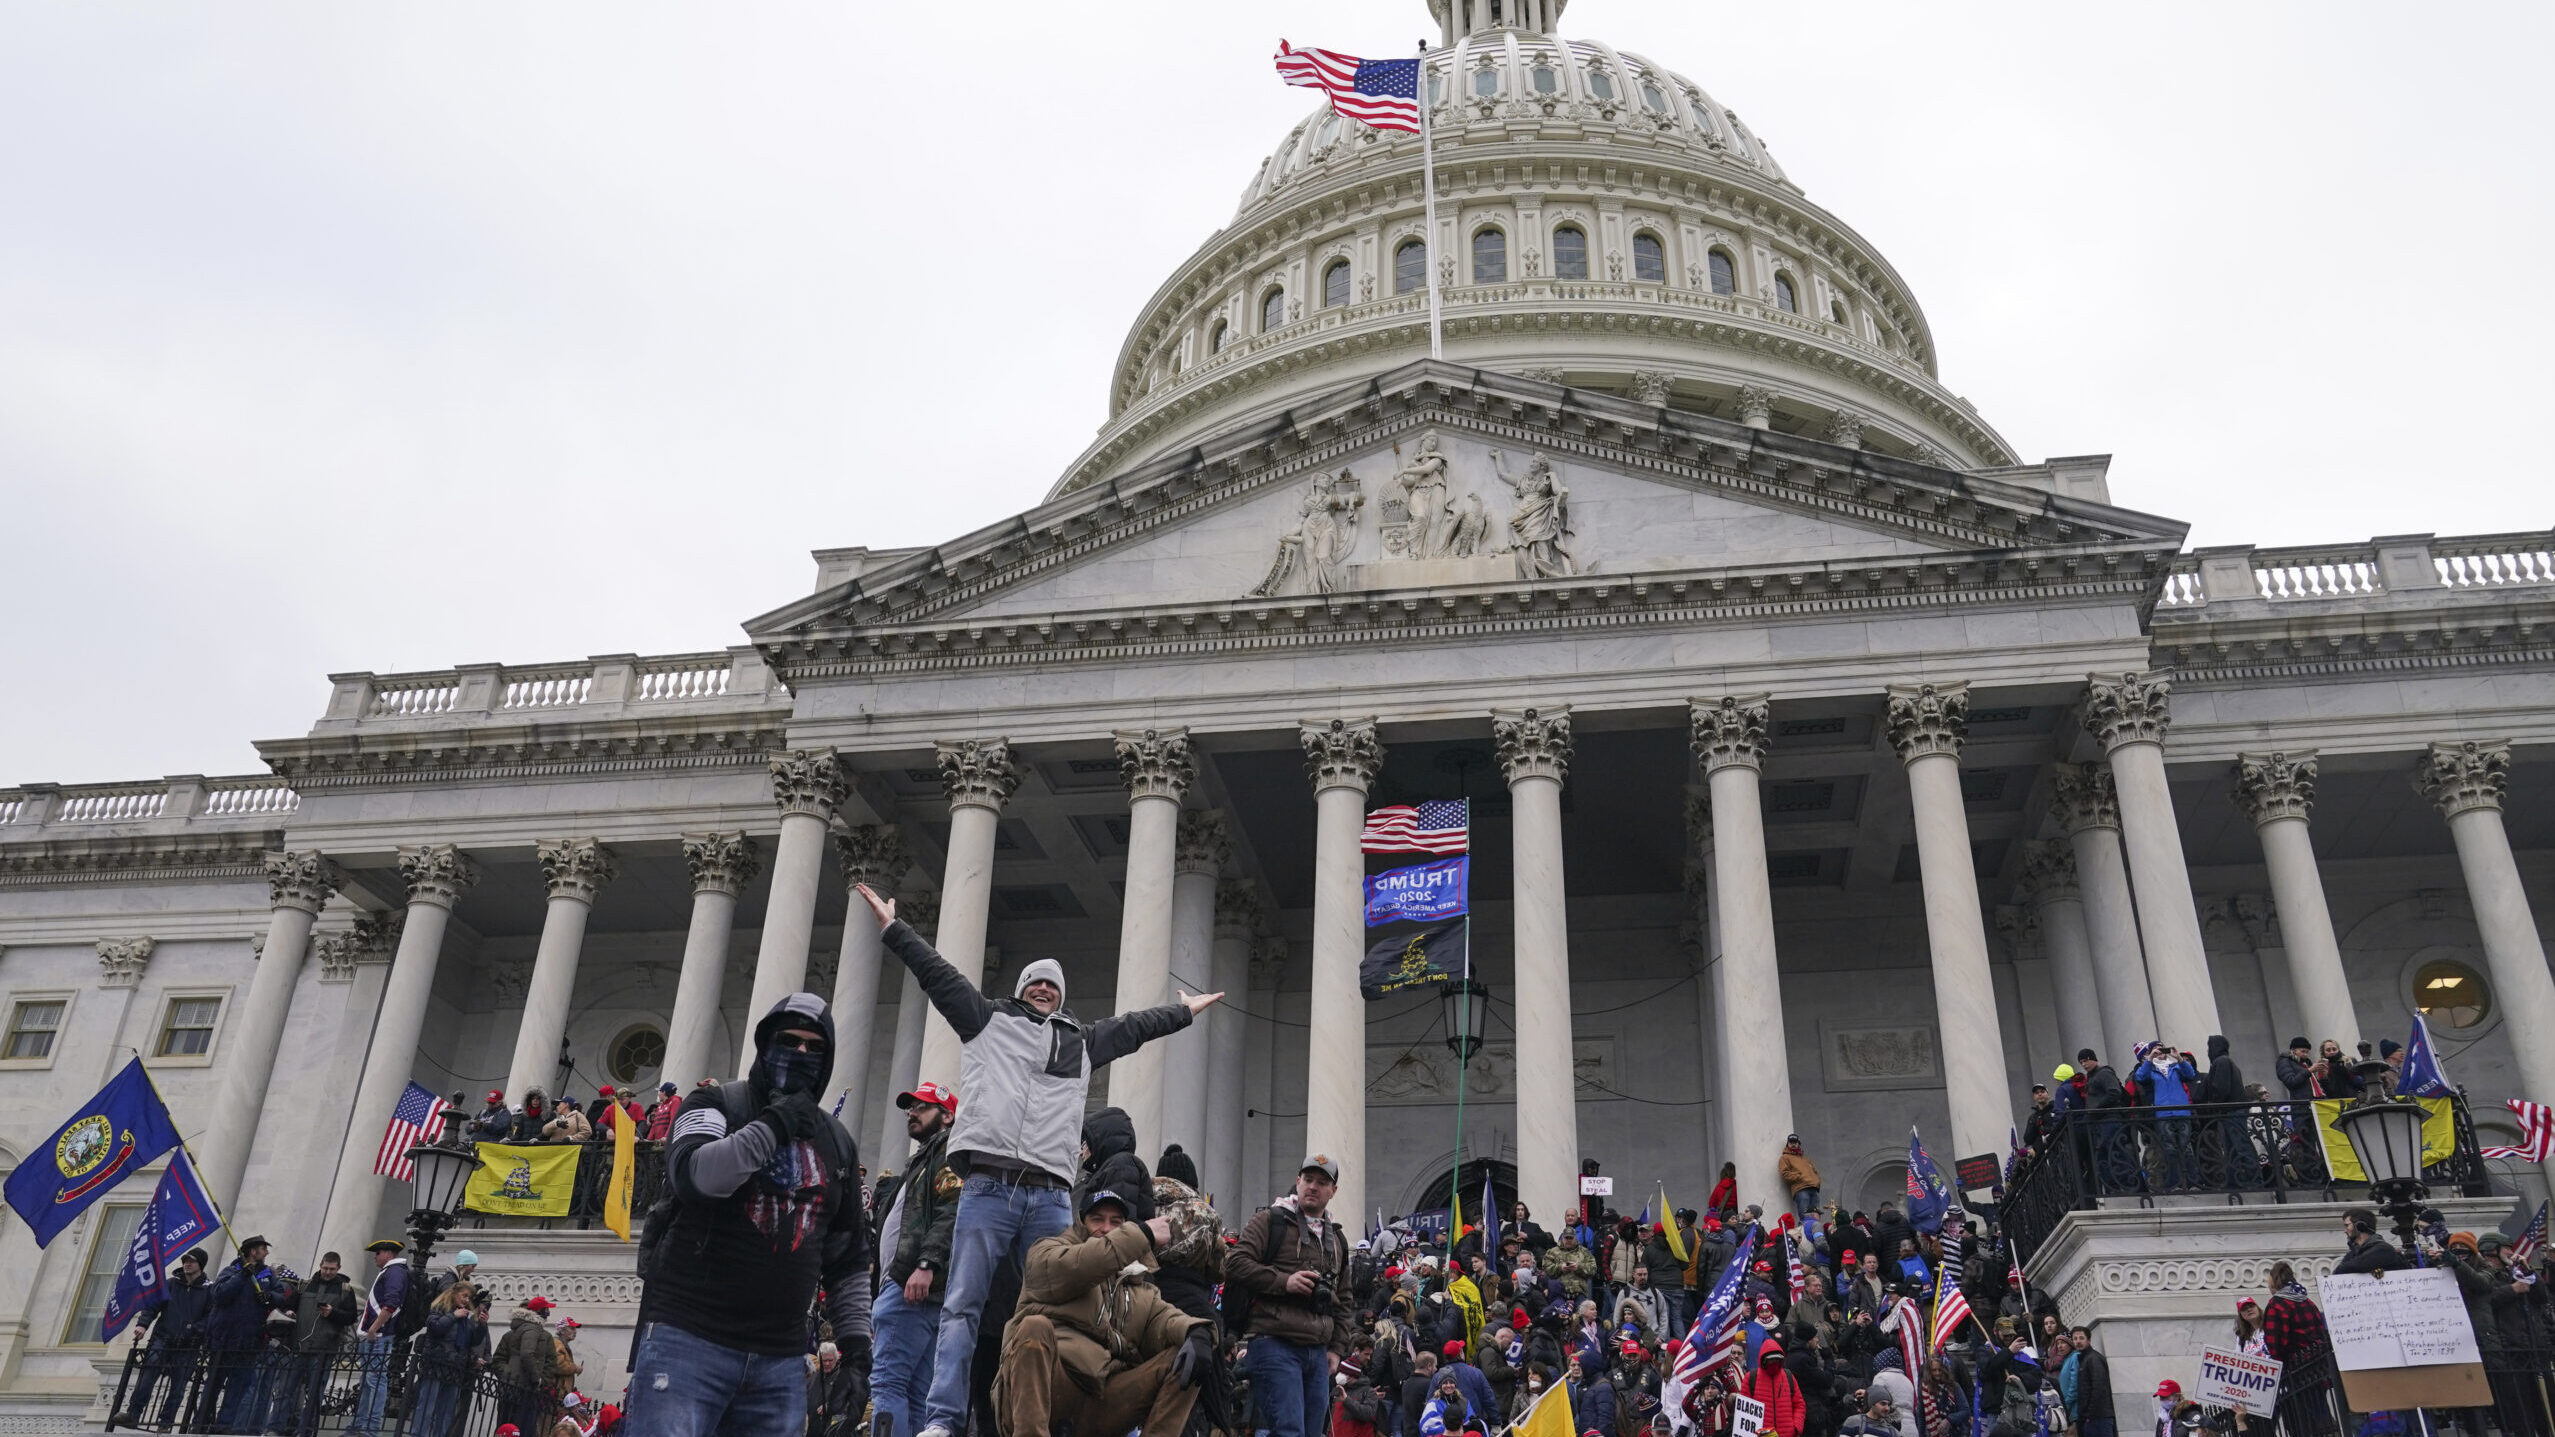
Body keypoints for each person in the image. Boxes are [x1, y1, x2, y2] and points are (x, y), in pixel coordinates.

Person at [854, 884, 1211, 1437]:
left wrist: (1182, 1012)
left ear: (1061, 999)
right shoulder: (985, 1020)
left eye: (1052, 986)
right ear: (1022, 991)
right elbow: (936, 973)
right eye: (1035, 983)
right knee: (963, 1306)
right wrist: (893, 927)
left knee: (1057, 1306)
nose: (1044, 989)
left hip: (1047, 1194)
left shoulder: (1081, 1043)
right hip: (988, 1190)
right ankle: (945, 1420)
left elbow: (1136, 1028)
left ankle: (1038, 1413)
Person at [626, 992, 874, 1437]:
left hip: (779, 1360)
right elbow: (696, 1177)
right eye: (789, 1041)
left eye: (814, 1047)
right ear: (765, 1044)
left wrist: (857, 1348)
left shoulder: (835, 1140)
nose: (801, 1054)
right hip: (687, 1340)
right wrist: (775, 1124)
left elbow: (847, 1257)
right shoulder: (713, 1103)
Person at [993, 1187, 1212, 1437]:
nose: (1106, 1228)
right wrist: (1143, 1234)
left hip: (1103, 1402)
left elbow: (1168, 1319)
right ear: (1081, 1223)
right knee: (1035, 1328)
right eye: (1097, 1219)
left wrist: (1197, 1332)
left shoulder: (1139, 1287)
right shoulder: (1046, 1254)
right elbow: (1085, 1263)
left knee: (1187, 1356)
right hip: (1050, 1390)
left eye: (1115, 1222)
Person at [1228, 1155, 1360, 1437]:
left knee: (1312, 1433)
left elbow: (1345, 1299)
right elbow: (1235, 1263)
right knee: (1289, 1431)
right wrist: (1284, 1281)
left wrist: (1336, 1348)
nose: (1313, 1186)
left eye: (1322, 1182)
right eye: (1308, 1180)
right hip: (1275, 1343)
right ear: (1298, 1181)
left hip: (1317, 1350)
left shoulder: (1336, 1239)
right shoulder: (1270, 1220)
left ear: (1333, 1191)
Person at [872, 1081, 961, 1437]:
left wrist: (926, 1265)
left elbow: (951, 1210)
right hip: (916, 1288)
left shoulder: (949, 1151)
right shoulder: (927, 1157)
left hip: (912, 1285)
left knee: (887, 1383)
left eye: (923, 1107)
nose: (913, 1112)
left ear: (947, 1115)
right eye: (911, 1107)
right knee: (916, 1391)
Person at [117, 1245, 213, 1429]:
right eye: (185, 1261)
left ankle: (165, 1422)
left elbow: (210, 1316)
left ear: (200, 1264)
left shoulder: (209, 1290)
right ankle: (133, 1414)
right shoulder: (170, 1284)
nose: (187, 1264)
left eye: (191, 1261)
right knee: (147, 1377)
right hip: (163, 1338)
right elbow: (152, 1306)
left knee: (178, 1386)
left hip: (189, 1344)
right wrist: (142, 1324)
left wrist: (195, 1330)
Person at [204, 1236, 285, 1435]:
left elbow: (282, 1297)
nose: (266, 1253)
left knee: (238, 1387)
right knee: (213, 1385)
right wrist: (242, 1277)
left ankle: (224, 1425)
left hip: (250, 1340)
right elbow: (219, 1295)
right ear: (252, 1251)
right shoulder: (231, 1271)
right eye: (263, 1249)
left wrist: (269, 1297)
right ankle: (203, 1423)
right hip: (223, 1340)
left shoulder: (268, 1276)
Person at [274, 1250, 357, 1437]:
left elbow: (351, 1316)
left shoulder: (345, 1290)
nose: (327, 1272)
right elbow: (289, 1305)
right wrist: (288, 1312)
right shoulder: (305, 1285)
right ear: (320, 1265)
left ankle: (306, 1431)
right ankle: (275, 1428)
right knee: (285, 1391)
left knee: (315, 1394)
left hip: (324, 1348)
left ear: (339, 1268)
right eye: (325, 1268)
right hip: (299, 1345)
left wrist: (332, 1313)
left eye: (332, 1269)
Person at [341, 1238, 407, 1437]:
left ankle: (370, 1429)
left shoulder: (395, 1272)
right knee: (369, 1381)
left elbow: (391, 1303)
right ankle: (359, 1426)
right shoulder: (389, 1272)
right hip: (375, 1336)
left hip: (378, 1336)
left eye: (377, 1253)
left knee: (376, 1381)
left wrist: (374, 1328)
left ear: (387, 1253)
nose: (375, 1258)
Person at [413, 1281, 484, 1437]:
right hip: (436, 1364)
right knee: (427, 1408)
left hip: (455, 1367)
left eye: (469, 1297)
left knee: (446, 1412)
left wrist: (482, 1325)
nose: (466, 1300)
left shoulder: (465, 1317)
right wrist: (453, 1316)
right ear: (454, 1293)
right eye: (464, 1295)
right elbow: (435, 1328)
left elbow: (472, 1341)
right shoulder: (440, 1308)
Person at [494, 1296, 560, 1437]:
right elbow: (500, 1359)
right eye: (546, 1310)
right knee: (508, 1426)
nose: (548, 1313)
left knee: (524, 1426)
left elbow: (551, 1362)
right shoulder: (511, 1335)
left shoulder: (546, 1336)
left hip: (530, 1389)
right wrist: (508, 1375)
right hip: (514, 1387)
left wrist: (543, 1381)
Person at [2063, 1327, 2116, 1437]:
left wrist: (2089, 1415)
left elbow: (2098, 1387)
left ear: (2089, 1340)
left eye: (2081, 1338)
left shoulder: (2093, 1358)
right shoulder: (2083, 1359)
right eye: (2075, 1339)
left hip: (2098, 1418)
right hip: (2090, 1418)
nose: (2078, 1341)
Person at [2334, 1208, 2408, 1274]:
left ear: (2360, 1225)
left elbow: (2356, 1266)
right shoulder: (2352, 1254)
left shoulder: (2383, 1249)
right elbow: (2337, 1273)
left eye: (2347, 1225)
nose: (2345, 1231)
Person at [1780, 1137, 1823, 1221]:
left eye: (1795, 1142)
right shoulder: (1785, 1158)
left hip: (1814, 1188)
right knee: (1805, 1216)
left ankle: (1817, 1232)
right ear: (1787, 1144)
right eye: (1791, 1142)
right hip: (1801, 1189)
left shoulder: (1805, 1159)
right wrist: (1799, 1177)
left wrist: (1817, 1181)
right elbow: (1785, 1173)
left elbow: (1815, 1172)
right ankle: (1806, 1232)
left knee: (1816, 1216)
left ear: (1799, 1144)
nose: (1793, 1144)